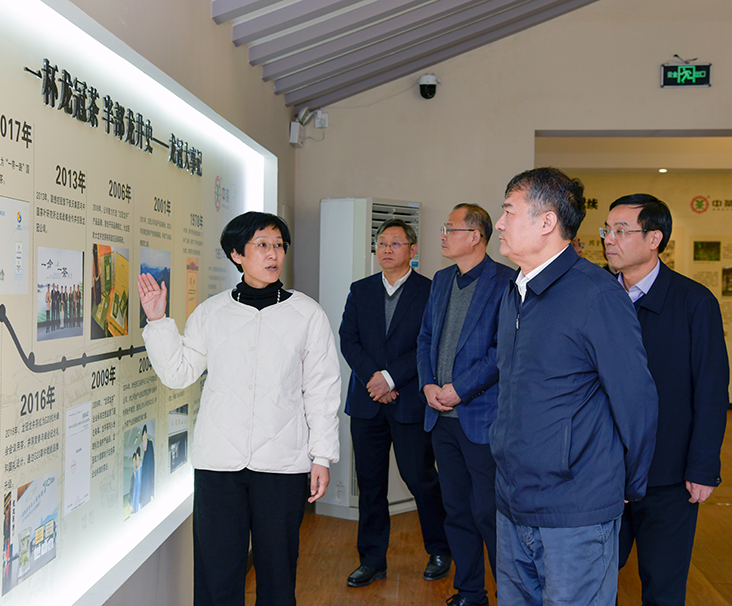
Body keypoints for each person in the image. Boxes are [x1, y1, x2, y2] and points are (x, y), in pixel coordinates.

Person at [138, 211, 340, 606]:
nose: (273, 254)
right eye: (262, 245)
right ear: (237, 254)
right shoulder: (211, 312)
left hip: (283, 464)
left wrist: (322, 456)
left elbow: (322, 389)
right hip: (219, 464)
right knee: (217, 575)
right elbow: (179, 373)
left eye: (279, 245)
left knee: (278, 574)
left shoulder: (307, 314)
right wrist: (158, 320)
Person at [491, 167, 658, 605]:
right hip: (513, 503)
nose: (500, 223)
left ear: (547, 222)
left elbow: (636, 402)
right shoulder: (515, 291)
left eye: (509, 211)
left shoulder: (596, 295)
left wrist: (625, 487)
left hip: (577, 511)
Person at [603, 194, 730, 606]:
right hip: (599, 470)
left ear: (654, 238)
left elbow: (711, 390)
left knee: (664, 586)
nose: (609, 239)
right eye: (607, 229)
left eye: (621, 230)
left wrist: (703, 467)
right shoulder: (594, 297)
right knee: (590, 583)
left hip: (669, 474)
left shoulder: (694, 302)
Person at [339, 218, 449, 588]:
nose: (387, 249)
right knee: (370, 485)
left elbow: (429, 344)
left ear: (413, 250)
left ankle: (440, 549)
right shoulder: (361, 290)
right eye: (382, 243)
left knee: (420, 479)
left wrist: (390, 378)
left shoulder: (430, 291)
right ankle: (372, 560)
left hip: (409, 402)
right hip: (367, 402)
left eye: (396, 243)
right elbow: (348, 339)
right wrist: (374, 378)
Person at [417, 203, 515, 606]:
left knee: (488, 512)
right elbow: (425, 337)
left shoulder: (506, 281)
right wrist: (427, 384)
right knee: (456, 510)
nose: (442, 235)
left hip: (482, 418)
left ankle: (511, 594)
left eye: (450, 228)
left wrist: (461, 389)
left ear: (475, 236)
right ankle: (471, 592)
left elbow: (502, 350)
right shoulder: (442, 280)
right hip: (441, 418)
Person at [139, 423, 155, 506]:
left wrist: (152, 491)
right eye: (143, 440)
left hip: (148, 489)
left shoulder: (150, 446)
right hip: (144, 490)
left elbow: (152, 469)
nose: (144, 442)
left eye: (145, 439)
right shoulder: (144, 454)